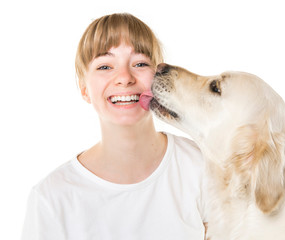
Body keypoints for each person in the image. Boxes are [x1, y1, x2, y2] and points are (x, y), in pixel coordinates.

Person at [21, 13, 207, 239]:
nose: (124, 78)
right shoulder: (51, 198)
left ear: (158, 79)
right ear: (84, 89)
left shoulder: (201, 166)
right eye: (105, 66)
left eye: (140, 63)